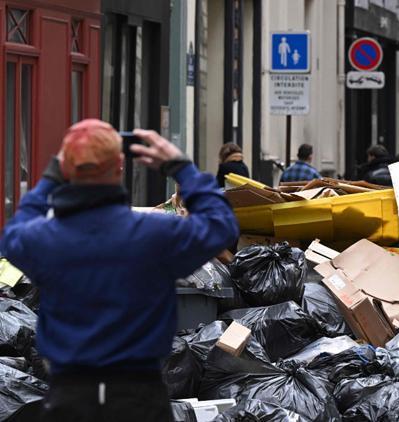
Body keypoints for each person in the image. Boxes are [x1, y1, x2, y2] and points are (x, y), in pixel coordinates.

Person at [0, 119, 239, 421]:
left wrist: (49, 179)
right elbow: (221, 227)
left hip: (69, 397)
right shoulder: (157, 234)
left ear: (67, 172)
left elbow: (13, 236)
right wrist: (181, 168)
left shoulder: (46, 239)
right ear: (119, 168)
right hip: (140, 396)